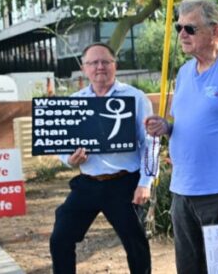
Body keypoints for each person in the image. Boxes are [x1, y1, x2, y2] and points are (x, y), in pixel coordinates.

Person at [144, 0, 218, 273]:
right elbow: (190, 124)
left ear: (216, 31)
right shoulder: (185, 73)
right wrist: (167, 127)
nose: (182, 34)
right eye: (179, 28)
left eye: (190, 28)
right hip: (182, 193)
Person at [50, 43, 157, 274]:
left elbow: (151, 142)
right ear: (84, 68)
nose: (100, 67)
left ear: (114, 65)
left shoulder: (135, 98)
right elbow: (62, 145)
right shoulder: (75, 101)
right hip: (87, 184)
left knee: (136, 244)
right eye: (93, 63)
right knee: (60, 238)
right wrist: (70, 159)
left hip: (124, 184)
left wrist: (145, 183)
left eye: (105, 62)